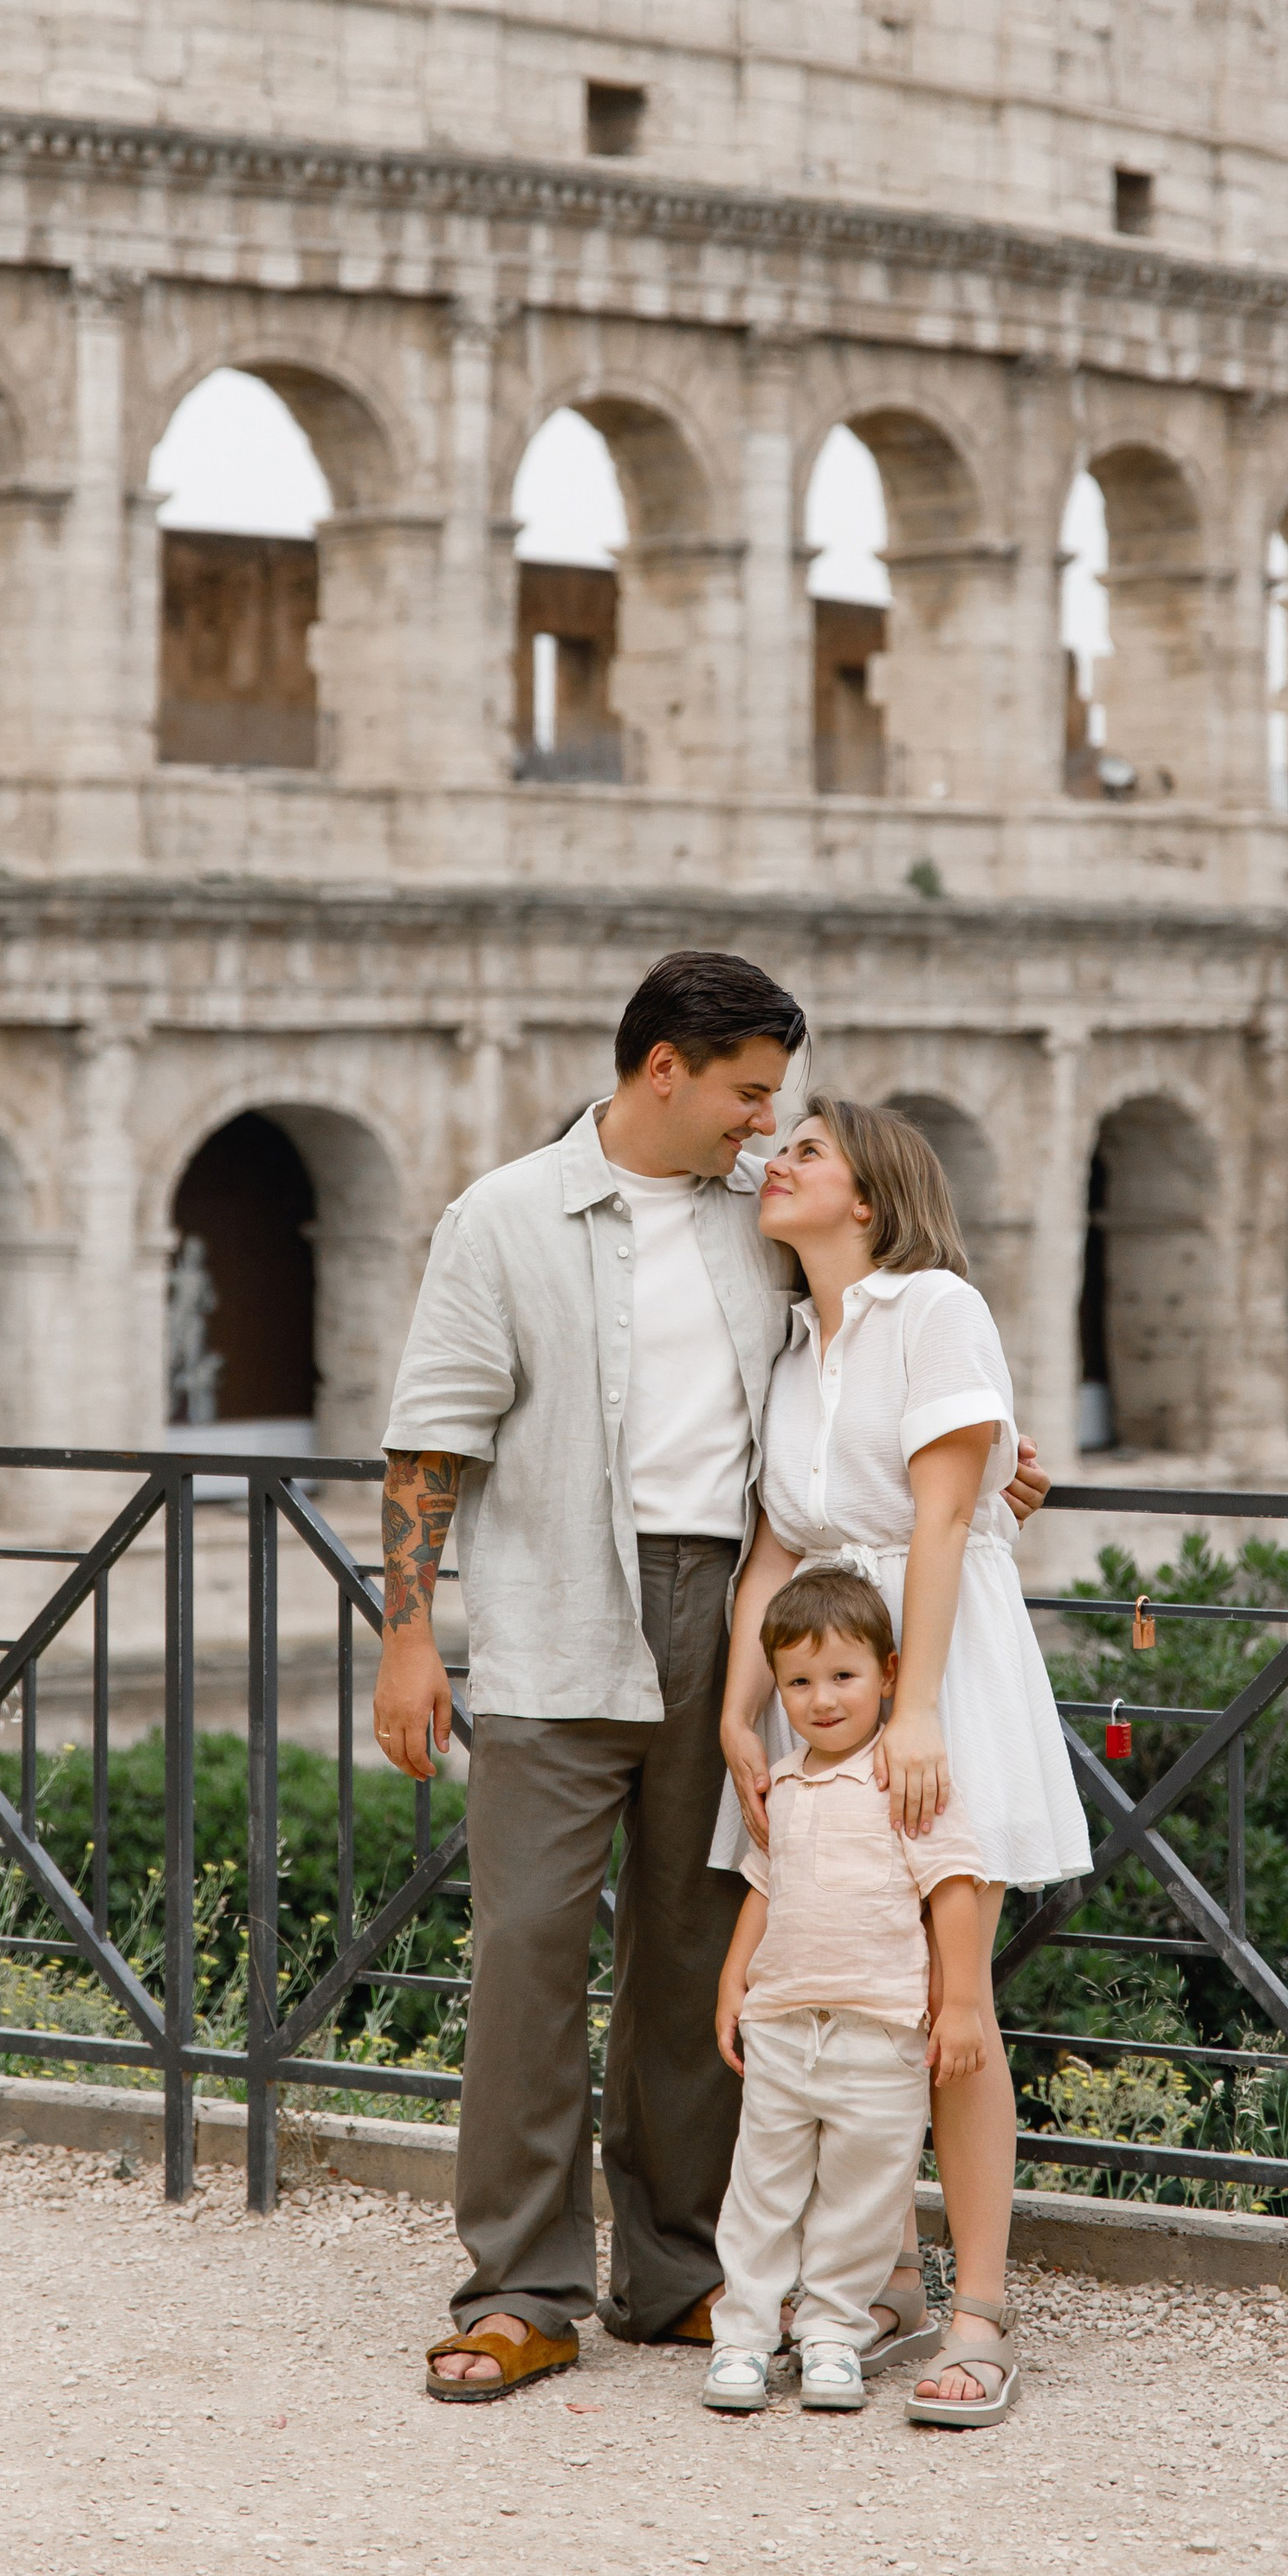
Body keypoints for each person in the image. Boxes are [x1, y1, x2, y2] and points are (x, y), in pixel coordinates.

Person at [372, 950, 1052, 2403]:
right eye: (749, 1094)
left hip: (746, 1619)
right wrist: (407, 1636)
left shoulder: (763, 1215)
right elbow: (431, 1437)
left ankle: (679, 2272)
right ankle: (520, 2291)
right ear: (663, 1070)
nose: (764, 1123)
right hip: (560, 1609)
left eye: (777, 1105)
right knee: (528, 1950)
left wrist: (995, 1456)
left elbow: (886, 1339)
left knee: (697, 1953)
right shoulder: (503, 1217)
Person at [716, 1093, 1091, 2427]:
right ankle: (872, 2284)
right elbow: (776, 1545)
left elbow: (942, 1519)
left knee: (950, 2001)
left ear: (869, 1197)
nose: (776, 1161)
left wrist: (918, 1711)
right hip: (823, 1675)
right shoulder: (791, 1348)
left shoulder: (937, 1308)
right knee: (838, 1995)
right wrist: (735, 1713)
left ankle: (977, 2308)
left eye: (806, 1151)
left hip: (935, 1668)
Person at [703, 1563, 989, 2417]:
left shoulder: (906, 1779)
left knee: (861, 2198)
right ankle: (744, 2337)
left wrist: (960, 2005)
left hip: (881, 2033)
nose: (821, 1699)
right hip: (784, 2027)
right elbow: (764, 1888)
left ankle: (832, 2334)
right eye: (798, 1682)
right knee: (761, 2189)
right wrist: (733, 1981)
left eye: (842, 1676)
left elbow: (953, 1888)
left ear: (888, 1674)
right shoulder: (782, 1783)